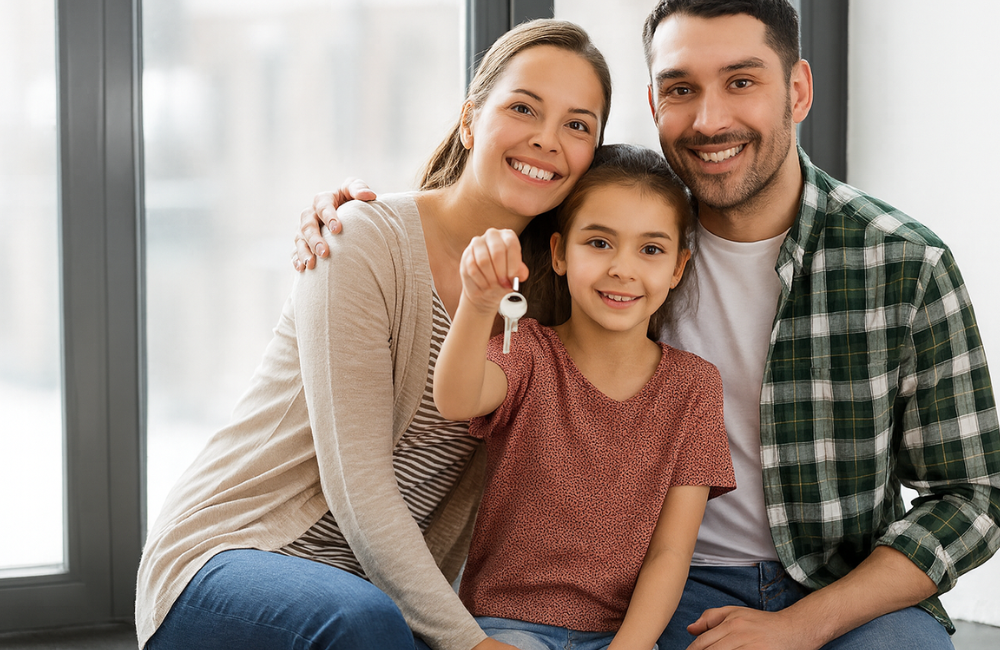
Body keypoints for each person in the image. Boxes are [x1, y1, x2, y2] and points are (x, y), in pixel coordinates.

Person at [294, 1, 1000, 648]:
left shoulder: (901, 261)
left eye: (742, 81)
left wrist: (801, 626)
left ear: (799, 91)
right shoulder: (613, 235)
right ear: (653, 103)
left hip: (836, 585)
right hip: (645, 591)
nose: (709, 120)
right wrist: (351, 215)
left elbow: (974, 498)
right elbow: (478, 205)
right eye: (681, 88)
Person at [135, 19, 613, 650]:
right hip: (231, 558)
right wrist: (471, 645)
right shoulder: (362, 240)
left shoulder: (553, 296)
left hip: (381, 604)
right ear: (470, 121)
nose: (548, 140)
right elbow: (358, 488)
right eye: (524, 108)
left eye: (578, 124)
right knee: (362, 621)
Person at [434, 144, 736, 650]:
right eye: (599, 243)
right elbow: (456, 399)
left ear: (678, 268)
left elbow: (670, 553)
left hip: (621, 638)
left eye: (651, 249)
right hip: (507, 629)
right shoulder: (528, 351)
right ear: (559, 253)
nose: (623, 268)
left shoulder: (694, 388)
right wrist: (478, 300)